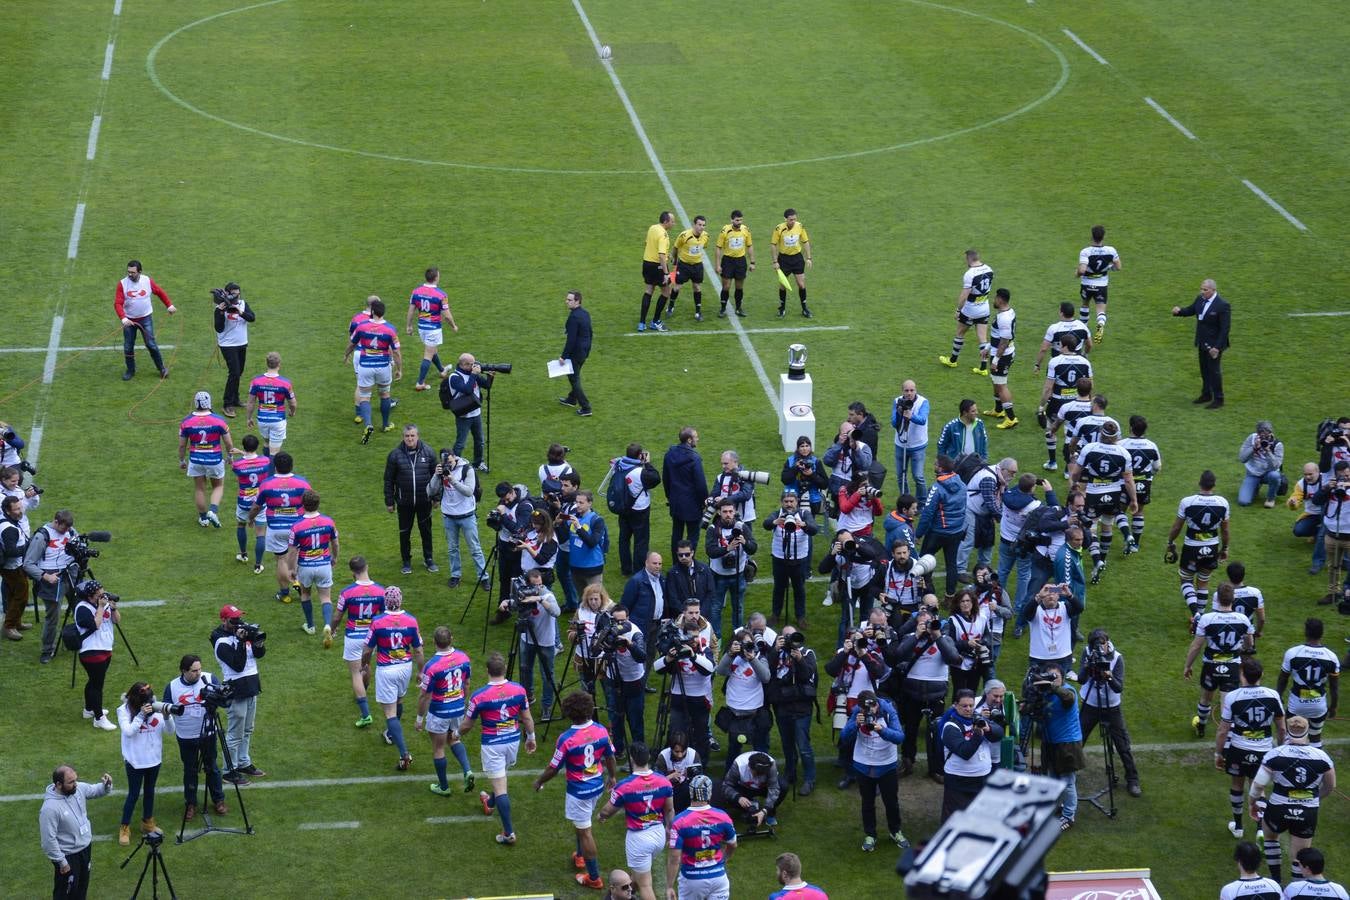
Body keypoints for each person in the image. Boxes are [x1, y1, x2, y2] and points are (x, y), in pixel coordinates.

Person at [533, 691, 618, 891]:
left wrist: (539, 781)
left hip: (579, 792)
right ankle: (580, 857)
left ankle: (595, 877)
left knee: (585, 832)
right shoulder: (601, 730)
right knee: (582, 824)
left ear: (569, 712)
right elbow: (610, 757)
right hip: (596, 786)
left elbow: (554, 768)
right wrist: (612, 776)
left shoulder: (566, 738)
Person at [461, 650, 536, 845]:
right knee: (500, 777)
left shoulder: (479, 696)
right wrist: (531, 737)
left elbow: (468, 724)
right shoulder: (519, 690)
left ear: (487, 670)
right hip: (512, 741)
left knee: (501, 787)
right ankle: (490, 802)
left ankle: (508, 833)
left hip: (493, 744)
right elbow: (526, 717)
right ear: (504, 670)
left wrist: (455, 734)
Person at [1249, 716, 1336, 883]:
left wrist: (1252, 803)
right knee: (1300, 856)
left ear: (1287, 731)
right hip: (1307, 812)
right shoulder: (1322, 757)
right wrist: (1315, 799)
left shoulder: (1274, 754)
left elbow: (1258, 786)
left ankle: (1276, 881)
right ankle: (1295, 890)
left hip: (1278, 808)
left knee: (1270, 838)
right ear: (1308, 731)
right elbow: (1330, 787)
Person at [1217, 658, 1286, 839]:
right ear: (1261, 675)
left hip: (1239, 749)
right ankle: (1260, 829)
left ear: (1242, 675)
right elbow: (1281, 728)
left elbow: (1223, 729)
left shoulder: (1233, 697)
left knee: (1237, 784)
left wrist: (1218, 753)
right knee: (1259, 787)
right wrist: (1281, 751)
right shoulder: (1272, 695)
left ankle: (1238, 826)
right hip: (1264, 751)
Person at [599, 742, 674, 900]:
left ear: (632, 759)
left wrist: (601, 816)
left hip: (639, 838)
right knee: (638, 874)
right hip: (658, 834)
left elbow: (607, 810)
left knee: (645, 885)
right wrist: (669, 830)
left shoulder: (625, 786)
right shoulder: (664, 781)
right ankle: (622, 895)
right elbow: (669, 810)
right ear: (648, 757)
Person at [362, 586, 424, 771]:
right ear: (400, 601)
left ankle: (404, 753)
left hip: (386, 669)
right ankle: (390, 734)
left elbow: (367, 649)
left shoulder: (378, 621)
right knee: (399, 700)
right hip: (405, 667)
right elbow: (418, 650)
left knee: (389, 712)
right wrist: (421, 671)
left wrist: (364, 664)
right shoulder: (411, 621)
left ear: (385, 602)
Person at [1070, 420, 1138, 583]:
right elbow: (1128, 480)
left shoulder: (1089, 448)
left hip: (1093, 492)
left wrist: (1075, 484)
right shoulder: (1124, 453)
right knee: (1108, 523)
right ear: (1116, 436)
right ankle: (1107, 555)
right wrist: (1134, 499)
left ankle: (1097, 560)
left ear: (1101, 434)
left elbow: (1076, 472)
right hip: (1114, 491)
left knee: (1091, 529)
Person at [840, 690, 908, 852]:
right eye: (866, 709)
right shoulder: (858, 711)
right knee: (867, 802)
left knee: (891, 802)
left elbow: (899, 737)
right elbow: (844, 737)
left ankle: (895, 831)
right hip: (863, 764)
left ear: (877, 702)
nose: (871, 711)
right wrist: (855, 724)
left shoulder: (889, 710)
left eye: (873, 707)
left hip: (887, 765)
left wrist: (881, 730)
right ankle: (870, 834)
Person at [1076, 628, 1141, 796]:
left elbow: (1118, 688)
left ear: (1107, 643)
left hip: (1111, 707)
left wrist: (1109, 676)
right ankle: (1068, 773)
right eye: (1097, 645)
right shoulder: (1087, 653)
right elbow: (1081, 679)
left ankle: (1133, 779)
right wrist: (1088, 665)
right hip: (1090, 704)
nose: (1100, 648)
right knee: (1077, 740)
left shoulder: (1117, 658)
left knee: (1122, 745)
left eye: (1103, 644)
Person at [1184, 583, 1254, 737]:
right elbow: (1250, 644)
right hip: (1232, 667)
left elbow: (1196, 646)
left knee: (1205, 698)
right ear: (1233, 599)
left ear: (1217, 598)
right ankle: (1228, 742)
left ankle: (1201, 726)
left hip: (1211, 666)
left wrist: (1187, 666)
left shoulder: (1207, 619)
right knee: (1227, 705)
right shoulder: (1242, 619)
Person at [653, 600, 717, 766]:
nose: (693, 641)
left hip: (700, 698)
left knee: (701, 733)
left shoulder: (705, 649)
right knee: (676, 731)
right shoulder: (677, 647)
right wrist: (668, 658)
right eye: (690, 638)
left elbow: (709, 669)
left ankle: (700, 764)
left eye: (696, 637)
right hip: (678, 696)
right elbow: (656, 667)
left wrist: (693, 656)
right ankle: (674, 762)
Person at [164, 654, 227, 820]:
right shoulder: (172, 687)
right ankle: (190, 803)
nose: (199, 673)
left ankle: (218, 800)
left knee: (212, 767)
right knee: (190, 770)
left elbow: (224, 701)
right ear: (184, 671)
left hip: (208, 733)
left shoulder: (209, 678)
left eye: (199, 669)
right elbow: (166, 709)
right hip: (185, 736)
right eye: (194, 671)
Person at [415, 625, 475, 796]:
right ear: (451, 639)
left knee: (439, 748)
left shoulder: (432, 666)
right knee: (454, 739)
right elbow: (467, 683)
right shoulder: (464, 658)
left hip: (439, 712)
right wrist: (462, 702)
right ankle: (467, 770)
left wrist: (419, 719)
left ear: (434, 642)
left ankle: (443, 787)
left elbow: (425, 696)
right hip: (457, 708)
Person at [247, 451, 312, 603]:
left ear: (275, 466)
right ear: (292, 466)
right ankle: (297, 580)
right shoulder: (303, 483)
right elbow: (310, 503)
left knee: (281, 559)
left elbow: (257, 507)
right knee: (295, 554)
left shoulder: (267, 484)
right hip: (297, 527)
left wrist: (251, 518)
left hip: (276, 528)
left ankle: (284, 594)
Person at [212, 604, 266, 783]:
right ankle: (229, 770)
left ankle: (243, 762)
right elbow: (238, 665)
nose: (238, 622)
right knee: (235, 733)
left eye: (239, 618)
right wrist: (241, 642)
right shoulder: (221, 642)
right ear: (224, 620)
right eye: (233, 619)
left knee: (248, 729)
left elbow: (258, 655)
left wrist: (257, 642)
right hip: (236, 690)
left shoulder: (242, 632)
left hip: (251, 686)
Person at [40, 766, 113, 900]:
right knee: (65, 894)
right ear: (58, 784)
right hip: (68, 857)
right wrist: (62, 862)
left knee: (81, 890)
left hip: (85, 850)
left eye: (75, 780)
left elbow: (95, 790)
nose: (76, 784)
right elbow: (48, 841)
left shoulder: (77, 788)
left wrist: (106, 785)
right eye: (71, 782)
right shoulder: (49, 809)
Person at [1167, 469, 1231, 617]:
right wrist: (1225, 548)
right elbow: (1225, 531)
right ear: (1214, 485)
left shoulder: (1187, 502)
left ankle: (1196, 614)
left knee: (1186, 579)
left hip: (1192, 547)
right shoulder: (1223, 503)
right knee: (1203, 581)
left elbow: (1177, 527)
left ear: (1199, 483)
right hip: (1212, 546)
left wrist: (1170, 542)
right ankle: (1200, 616)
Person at [116, 681, 173, 845]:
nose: (147, 705)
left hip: (154, 760)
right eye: (143, 703)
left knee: (149, 791)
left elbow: (170, 731)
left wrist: (167, 716)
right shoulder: (123, 710)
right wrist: (140, 716)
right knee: (133, 794)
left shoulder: (156, 708)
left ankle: (147, 823)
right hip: (135, 761)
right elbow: (128, 732)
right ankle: (125, 826)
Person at [666, 774, 738, 900]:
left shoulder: (680, 821)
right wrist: (724, 859)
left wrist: (669, 886)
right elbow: (732, 844)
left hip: (692, 879)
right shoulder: (723, 817)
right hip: (718, 878)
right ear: (709, 793)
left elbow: (674, 858)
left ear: (691, 792)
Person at [22, 508, 78, 664]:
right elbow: (28, 564)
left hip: (71, 575)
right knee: (52, 618)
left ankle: (81, 640)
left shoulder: (71, 531)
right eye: (63, 528)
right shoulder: (42, 536)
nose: (66, 531)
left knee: (80, 607)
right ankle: (48, 650)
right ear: (56, 522)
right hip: (51, 580)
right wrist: (45, 576)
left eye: (68, 529)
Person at [334, 556, 385, 727]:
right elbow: (384, 616)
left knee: (355, 673)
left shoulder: (347, 592)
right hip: (372, 638)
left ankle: (365, 714)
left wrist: (333, 629)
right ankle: (363, 690)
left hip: (353, 636)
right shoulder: (380, 591)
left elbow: (337, 616)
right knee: (367, 665)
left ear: (352, 572)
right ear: (367, 567)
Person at [939, 688, 1003, 820]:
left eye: (971, 705)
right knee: (954, 819)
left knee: (979, 817)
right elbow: (965, 752)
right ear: (955, 706)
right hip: (959, 781)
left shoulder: (977, 719)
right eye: (964, 706)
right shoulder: (950, 727)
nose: (968, 709)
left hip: (982, 778)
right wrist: (978, 733)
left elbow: (999, 734)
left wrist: (989, 728)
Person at [768, 625, 818, 796]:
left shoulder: (807, 653)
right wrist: (775, 651)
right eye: (785, 637)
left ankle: (810, 778)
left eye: (792, 636)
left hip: (801, 707)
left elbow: (807, 676)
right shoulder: (777, 652)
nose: (789, 640)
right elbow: (768, 672)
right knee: (787, 744)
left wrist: (799, 660)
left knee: (803, 746)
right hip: (782, 705)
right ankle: (790, 773)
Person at [506, 568, 561, 721]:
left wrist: (539, 599)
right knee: (525, 670)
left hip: (545, 642)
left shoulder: (547, 595)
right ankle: (528, 697)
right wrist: (507, 603)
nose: (539, 588)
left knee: (547, 676)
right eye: (535, 585)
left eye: (540, 584)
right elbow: (516, 605)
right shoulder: (524, 593)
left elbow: (556, 612)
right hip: (527, 639)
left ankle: (547, 707)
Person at [344, 297, 402, 441]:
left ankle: (369, 424)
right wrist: (399, 368)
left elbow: (352, 344)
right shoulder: (390, 329)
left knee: (364, 396)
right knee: (384, 395)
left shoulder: (362, 326)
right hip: (383, 367)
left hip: (366, 366)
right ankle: (385, 424)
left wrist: (346, 355)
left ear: (372, 312)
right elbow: (396, 351)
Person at [383, 424, 439, 576]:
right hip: (404, 502)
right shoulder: (395, 455)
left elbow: (437, 478)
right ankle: (406, 561)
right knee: (404, 532)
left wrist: (436, 498)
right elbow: (388, 480)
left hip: (424, 501)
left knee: (426, 531)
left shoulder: (428, 452)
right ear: (403, 437)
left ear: (417, 436)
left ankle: (428, 558)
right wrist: (389, 501)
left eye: (412, 436)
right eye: (407, 436)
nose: (410, 438)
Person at [1033, 663, 1083, 830]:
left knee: (1067, 782)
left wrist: (1053, 686)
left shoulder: (1069, 691)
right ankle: (1059, 806)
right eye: (1049, 676)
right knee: (1053, 779)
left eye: (1056, 676)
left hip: (1067, 743)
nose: (1053, 679)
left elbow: (1068, 699)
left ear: (1062, 678)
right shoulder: (1045, 693)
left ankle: (1069, 816)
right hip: (1050, 742)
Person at [430, 448, 489, 590]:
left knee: (475, 548)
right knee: (452, 549)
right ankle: (455, 575)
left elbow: (469, 491)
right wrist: (435, 475)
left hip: (467, 515)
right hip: (449, 516)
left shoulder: (467, 469)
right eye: (445, 462)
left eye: (449, 461)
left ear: (454, 457)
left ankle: (483, 577)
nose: (448, 465)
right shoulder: (440, 471)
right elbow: (431, 491)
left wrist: (452, 480)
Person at [1277, 618, 1340, 748]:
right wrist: (1333, 707)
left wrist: (1279, 696)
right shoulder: (1331, 657)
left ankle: (1290, 764)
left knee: (1292, 737)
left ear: (1306, 632)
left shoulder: (1293, 653)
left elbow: (1283, 678)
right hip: (1318, 705)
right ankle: (1317, 765)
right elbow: (1334, 687)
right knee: (1315, 737)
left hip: (1296, 704)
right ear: (1322, 633)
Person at [286, 489, 340, 640]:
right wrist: (334, 557)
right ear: (318, 503)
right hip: (323, 564)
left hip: (305, 566)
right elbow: (335, 543)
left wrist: (291, 569)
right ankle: (328, 625)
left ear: (303, 504)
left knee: (305, 594)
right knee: (325, 597)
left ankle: (310, 626)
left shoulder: (297, 526)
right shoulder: (328, 522)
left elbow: (292, 551)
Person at [1172, 278, 1232, 409]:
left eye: (1205, 290)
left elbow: (1225, 329)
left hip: (1214, 346)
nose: (1202, 292)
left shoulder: (1222, 305)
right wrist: (1179, 311)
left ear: (1213, 290)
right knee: (1204, 370)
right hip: (1202, 342)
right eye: (1202, 289)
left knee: (1214, 371)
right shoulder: (1200, 299)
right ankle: (1206, 394)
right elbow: (1191, 310)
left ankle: (1219, 399)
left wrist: (1217, 347)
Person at [177, 391, 234, 528]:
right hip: (214, 459)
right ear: (209, 403)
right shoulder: (219, 420)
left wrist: (182, 460)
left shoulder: (186, 421)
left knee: (199, 489)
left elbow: (182, 445)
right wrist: (230, 456)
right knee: (218, 486)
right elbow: (228, 443)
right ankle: (213, 511)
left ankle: (203, 518)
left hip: (196, 459)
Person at [715, 629, 772, 762]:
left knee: (760, 750)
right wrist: (729, 654)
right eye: (742, 644)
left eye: (749, 643)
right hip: (734, 713)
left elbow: (766, 677)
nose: (746, 646)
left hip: (755, 713)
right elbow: (721, 671)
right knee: (733, 751)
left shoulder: (760, 658)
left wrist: (752, 659)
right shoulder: (732, 658)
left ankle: (762, 777)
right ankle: (730, 779)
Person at [1038, 333, 1093, 472]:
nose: (1059, 347)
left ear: (1065, 346)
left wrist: (1041, 406)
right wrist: (1090, 402)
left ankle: (1052, 462)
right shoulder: (1085, 362)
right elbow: (1090, 384)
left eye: (1060, 345)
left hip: (1057, 402)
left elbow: (1048, 387)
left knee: (1051, 430)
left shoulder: (1055, 361)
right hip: (1077, 401)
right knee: (1072, 433)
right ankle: (1069, 469)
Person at [765, 490, 817, 630]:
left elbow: (814, 529)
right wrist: (775, 522)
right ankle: (775, 614)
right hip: (779, 559)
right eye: (786, 501)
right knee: (779, 588)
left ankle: (800, 616)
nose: (789, 504)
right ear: (782, 502)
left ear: (797, 502)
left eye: (791, 501)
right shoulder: (777, 514)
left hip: (799, 559)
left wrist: (804, 524)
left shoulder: (804, 514)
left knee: (799, 589)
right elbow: (766, 524)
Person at [916, 455, 967, 598]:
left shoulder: (936, 488)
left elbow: (927, 514)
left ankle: (926, 591)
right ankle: (950, 596)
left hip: (938, 532)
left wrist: (919, 534)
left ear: (940, 468)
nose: (933, 465)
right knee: (952, 564)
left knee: (924, 560)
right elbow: (964, 508)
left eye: (935, 464)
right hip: (956, 531)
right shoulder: (962, 485)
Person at [705, 499, 757, 639]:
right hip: (718, 575)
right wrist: (727, 548)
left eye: (730, 511)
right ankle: (716, 637)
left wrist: (744, 542)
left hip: (738, 574)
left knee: (738, 607)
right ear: (719, 512)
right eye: (725, 512)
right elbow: (710, 551)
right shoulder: (712, 529)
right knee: (715, 607)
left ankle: (738, 634)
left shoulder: (742, 527)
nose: (728, 514)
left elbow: (753, 548)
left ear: (735, 512)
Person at [114, 259, 174, 381]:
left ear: (140, 272)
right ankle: (130, 370)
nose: (130, 274)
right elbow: (117, 303)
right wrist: (124, 318)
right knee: (128, 347)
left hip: (145, 318)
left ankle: (162, 368)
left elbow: (159, 292)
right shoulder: (122, 284)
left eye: (133, 272)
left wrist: (169, 305)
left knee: (151, 344)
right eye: (128, 272)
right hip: (129, 321)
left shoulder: (147, 281)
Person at [71, 579, 118, 730]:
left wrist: (114, 608)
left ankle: (89, 709)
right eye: (100, 595)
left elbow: (116, 621)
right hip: (91, 651)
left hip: (105, 648)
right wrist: (101, 607)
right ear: (91, 596)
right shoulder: (82, 609)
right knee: (97, 686)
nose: (103, 596)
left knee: (93, 682)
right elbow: (96, 624)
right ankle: (99, 718)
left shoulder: (102, 603)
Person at [939, 249, 994, 371]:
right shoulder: (990, 269)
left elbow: (964, 295)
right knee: (982, 338)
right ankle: (983, 368)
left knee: (960, 333)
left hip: (971, 309)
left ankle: (952, 361)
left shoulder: (970, 274)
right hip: (984, 308)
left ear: (969, 259)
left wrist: (958, 310)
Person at [959, 456, 1015, 575]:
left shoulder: (999, 476)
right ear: (1003, 469)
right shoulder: (989, 478)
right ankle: (960, 569)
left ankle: (984, 568)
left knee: (987, 541)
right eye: (1012, 473)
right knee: (968, 540)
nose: (1013, 476)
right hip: (971, 509)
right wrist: (1002, 518)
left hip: (984, 512)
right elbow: (990, 502)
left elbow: (1001, 498)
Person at [604, 605, 648, 754]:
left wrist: (629, 644)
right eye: (616, 621)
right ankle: (618, 749)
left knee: (635, 719)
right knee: (616, 718)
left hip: (633, 681)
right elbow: (595, 650)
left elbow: (641, 656)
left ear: (628, 619)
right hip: (614, 679)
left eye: (623, 621)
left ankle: (638, 753)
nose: (619, 625)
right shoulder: (607, 630)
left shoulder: (636, 633)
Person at [621, 552, 669, 684]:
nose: (658, 566)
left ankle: (643, 683)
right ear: (646, 563)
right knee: (639, 655)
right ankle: (635, 683)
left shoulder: (662, 579)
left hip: (656, 625)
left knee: (650, 655)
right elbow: (625, 605)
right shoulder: (636, 581)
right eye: (655, 563)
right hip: (640, 626)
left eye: (660, 563)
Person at [406, 267, 456, 392]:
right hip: (433, 328)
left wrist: (409, 326)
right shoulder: (441, 295)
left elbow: (411, 311)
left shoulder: (416, 291)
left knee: (432, 349)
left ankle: (442, 370)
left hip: (421, 328)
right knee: (428, 354)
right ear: (436, 278)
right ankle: (420, 383)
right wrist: (454, 326)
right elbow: (447, 316)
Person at [1118, 414, 1163, 551]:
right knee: (1139, 512)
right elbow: (1157, 467)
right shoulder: (1152, 445)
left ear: (1131, 428)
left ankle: (1127, 536)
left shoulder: (1121, 444)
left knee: (1121, 510)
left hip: (1125, 482)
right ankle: (1135, 544)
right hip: (1144, 483)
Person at [663, 428, 709, 558]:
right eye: (696, 437)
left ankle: (676, 562)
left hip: (676, 502)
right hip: (692, 504)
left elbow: (665, 479)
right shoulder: (694, 458)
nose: (698, 439)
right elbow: (700, 484)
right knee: (693, 535)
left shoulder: (669, 455)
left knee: (676, 533)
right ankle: (688, 562)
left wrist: (669, 497)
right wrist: (704, 501)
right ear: (689, 440)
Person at [1309, 460, 1350, 606]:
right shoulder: (1331, 488)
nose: (1344, 478)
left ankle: (1347, 591)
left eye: (1346, 475)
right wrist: (1327, 488)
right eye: (1341, 476)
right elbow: (1316, 500)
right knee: (1333, 566)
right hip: (1331, 534)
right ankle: (1334, 593)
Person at [615, 444, 660, 576]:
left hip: (623, 506)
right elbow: (656, 478)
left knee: (624, 538)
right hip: (639, 509)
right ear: (640, 455)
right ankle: (639, 570)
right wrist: (647, 463)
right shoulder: (640, 472)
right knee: (641, 541)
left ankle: (626, 568)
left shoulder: (619, 465)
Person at [211, 281, 254, 416]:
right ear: (227, 294)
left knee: (239, 372)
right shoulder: (219, 308)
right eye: (234, 294)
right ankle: (227, 404)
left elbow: (252, 318)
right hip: (228, 345)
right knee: (234, 372)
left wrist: (240, 312)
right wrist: (221, 312)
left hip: (241, 343)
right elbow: (219, 328)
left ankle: (235, 399)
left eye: (238, 293)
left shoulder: (243, 304)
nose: (236, 296)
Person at [230, 434, 272, 572]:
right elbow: (256, 459)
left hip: (243, 501)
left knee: (241, 525)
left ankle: (243, 555)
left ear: (243, 446)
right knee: (260, 533)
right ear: (257, 446)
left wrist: (241, 453)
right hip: (260, 503)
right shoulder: (265, 461)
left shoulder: (237, 465)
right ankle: (258, 565)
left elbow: (238, 465)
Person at [244, 351, 296, 455]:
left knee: (267, 444)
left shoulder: (256, 381)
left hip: (262, 420)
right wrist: (292, 411)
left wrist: (249, 418)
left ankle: (266, 467)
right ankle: (271, 471)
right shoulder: (285, 383)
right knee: (275, 452)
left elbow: (250, 402)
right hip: (278, 420)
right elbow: (293, 403)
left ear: (266, 363)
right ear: (279, 364)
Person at [717, 750, 785, 829]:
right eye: (756, 773)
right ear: (749, 766)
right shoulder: (738, 765)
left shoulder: (771, 765)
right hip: (744, 788)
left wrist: (765, 810)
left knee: (783, 786)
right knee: (725, 795)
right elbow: (726, 786)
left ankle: (770, 813)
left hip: (763, 788)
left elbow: (774, 788)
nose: (758, 777)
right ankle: (750, 806)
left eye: (762, 774)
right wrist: (738, 797)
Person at [891, 381, 933, 505]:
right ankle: (906, 501)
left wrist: (911, 416)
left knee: (918, 476)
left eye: (911, 390)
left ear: (915, 390)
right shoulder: (897, 401)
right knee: (900, 476)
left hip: (917, 446)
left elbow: (922, 420)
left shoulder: (923, 402)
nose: (909, 393)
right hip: (900, 444)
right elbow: (894, 423)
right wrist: (899, 414)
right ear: (902, 391)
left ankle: (922, 503)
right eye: (906, 390)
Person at [1077, 224, 1121, 342]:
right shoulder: (1111, 250)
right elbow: (1118, 267)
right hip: (1101, 285)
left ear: (1092, 237)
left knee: (1085, 304)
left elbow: (1081, 270)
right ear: (1103, 237)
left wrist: (1077, 273)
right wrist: (1108, 268)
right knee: (1101, 310)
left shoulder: (1086, 252)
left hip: (1087, 283)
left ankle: (1083, 330)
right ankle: (1099, 331)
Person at [985, 289, 1020, 427]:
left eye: (995, 298)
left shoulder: (1004, 318)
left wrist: (995, 360)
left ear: (1000, 299)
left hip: (1003, 356)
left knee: (1001, 386)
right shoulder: (1006, 313)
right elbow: (998, 336)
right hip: (998, 352)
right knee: (996, 381)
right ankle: (999, 409)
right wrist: (988, 348)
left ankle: (1011, 418)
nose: (994, 300)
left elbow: (1004, 342)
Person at [0, 494, 32, 640]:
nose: (20, 511)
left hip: (11, 567)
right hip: (13, 568)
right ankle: (9, 627)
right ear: (8, 511)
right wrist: (27, 547)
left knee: (13, 595)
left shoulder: (7, 521)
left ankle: (16, 622)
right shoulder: (9, 529)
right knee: (21, 596)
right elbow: (12, 551)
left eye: (20, 507)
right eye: (17, 509)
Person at [771, 208, 813, 318]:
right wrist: (775, 261)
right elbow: (773, 245)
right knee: (783, 285)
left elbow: (805, 242)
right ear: (785, 219)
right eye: (790, 219)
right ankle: (782, 308)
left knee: (801, 284)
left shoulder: (800, 226)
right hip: (784, 260)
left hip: (797, 259)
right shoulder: (779, 228)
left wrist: (809, 258)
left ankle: (804, 308)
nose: (793, 221)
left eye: (794, 219)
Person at [1288, 461, 1329, 576]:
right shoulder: (1301, 484)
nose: (1307, 477)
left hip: (1326, 514)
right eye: (1305, 474)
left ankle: (1322, 537)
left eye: (1310, 474)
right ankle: (1318, 534)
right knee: (1298, 530)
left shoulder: (1326, 481)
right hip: (1310, 514)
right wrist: (1292, 503)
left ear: (1318, 472)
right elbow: (1295, 500)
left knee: (1324, 531)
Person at [1033, 301, 1094, 375]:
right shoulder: (1082, 326)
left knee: (1052, 385)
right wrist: (1085, 354)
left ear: (1061, 313)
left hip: (1057, 363)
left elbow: (1043, 349)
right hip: (1077, 363)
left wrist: (1037, 364)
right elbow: (1089, 344)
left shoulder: (1054, 328)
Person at [637, 211, 674, 332]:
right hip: (658, 266)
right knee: (666, 292)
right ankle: (655, 321)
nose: (673, 223)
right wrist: (666, 273)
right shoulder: (663, 235)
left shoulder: (652, 228)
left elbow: (647, 243)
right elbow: (661, 255)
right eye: (672, 221)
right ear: (665, 222)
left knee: (649, 290)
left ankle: (642, 323)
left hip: (646, 263)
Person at [559, 289, 594, 416]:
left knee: (574, 379)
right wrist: (587, 351)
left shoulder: (574, 317)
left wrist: (563, 356)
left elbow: (571, 340)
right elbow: (590, 334)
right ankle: (571, 399)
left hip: (576, 353)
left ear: (577, 301)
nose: (566, 302)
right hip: (584, 351)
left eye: (569, 300)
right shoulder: (585, 314)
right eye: (567, 299)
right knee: (575, 375)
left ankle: (586, 408)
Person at [567, 489, 609, 595]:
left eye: (581, 502)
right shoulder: (573, 518)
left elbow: (592, 542)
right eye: (576, 502)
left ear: (590, 503)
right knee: (583, 600)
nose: (578, 505)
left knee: (596, 601)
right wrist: (557, 524)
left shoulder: (597, 520)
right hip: (575, 567)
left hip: (592, 568)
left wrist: (578, 527)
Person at [714, 210, 755, 319]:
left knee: (739, 286)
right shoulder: (725, 231)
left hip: (740, 261)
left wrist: (752, 262)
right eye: (737, 220)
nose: (739, 222)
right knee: (726, 286)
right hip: (728, 261)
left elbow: (749, 245)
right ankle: (723, 308)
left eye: (741, 220)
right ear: (731, 220)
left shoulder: (745, 230)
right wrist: (718, 265)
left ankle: (738, 308)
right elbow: (718, 247)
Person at [668, 216, 708, 322]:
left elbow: (703, 247)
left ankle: (698, 312)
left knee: (697, 287)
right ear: (694, 224)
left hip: (697, 265)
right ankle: (671, 306)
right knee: (677, 287)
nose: (702, 227)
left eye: (703, 225)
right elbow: (676, 247)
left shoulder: (706, 236)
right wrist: (675, 259)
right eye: (699, 225)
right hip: (684, 265)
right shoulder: (684, 235)